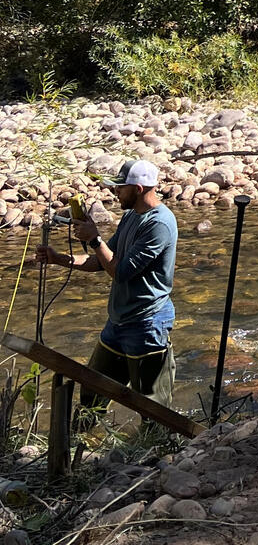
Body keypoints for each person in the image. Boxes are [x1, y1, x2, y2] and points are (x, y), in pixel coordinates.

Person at [35, 159, 178, 408]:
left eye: (120, 187)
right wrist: (57, 258)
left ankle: (158, 446)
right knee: (92, 393)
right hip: (119, 321)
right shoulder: (131, 216)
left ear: (139, 189)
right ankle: (85, 444)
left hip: (147, 324)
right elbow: (102, 261)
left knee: (153, 405)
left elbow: (120, 272)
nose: (115, 192)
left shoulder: (159, 224)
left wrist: (94, 239)